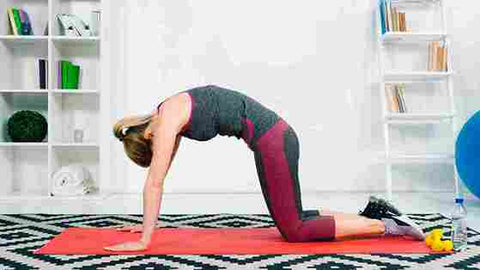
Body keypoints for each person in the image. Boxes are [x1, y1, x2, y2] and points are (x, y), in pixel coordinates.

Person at [105, 85, 425, 251]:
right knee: (296, 217)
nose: (159, 147)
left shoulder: (166, 121)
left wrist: (145, 240)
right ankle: (372, 216)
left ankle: (388, 226)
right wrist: (147, 225)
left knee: (295, 230)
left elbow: (154, 182)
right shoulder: (167, 111)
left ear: (147, 135)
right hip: (273, 139)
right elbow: (160, 177)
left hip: (274, 140)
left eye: (152, 147)